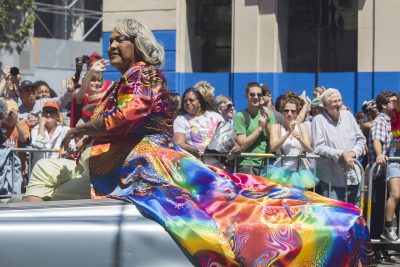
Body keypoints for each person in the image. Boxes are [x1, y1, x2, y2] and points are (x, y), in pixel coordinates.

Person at [22, 19, 375, 266]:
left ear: (138, 45)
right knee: (46, 170)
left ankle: (27, 247)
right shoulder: (127, 77)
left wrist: (85, 128)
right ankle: (28, 244)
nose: (111, 45)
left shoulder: (144, 73)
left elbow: (129, 115)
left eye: (119, 40)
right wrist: (86, 132)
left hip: (141, 162)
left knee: (226, 208)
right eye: (110, 40)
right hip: (115, 160)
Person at [312, 88, 366, 205]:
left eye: (339, 101)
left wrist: (352, 153)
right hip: (332, 181)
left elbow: (361, 139)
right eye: (334, 102)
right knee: (335, 218)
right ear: (325, 105)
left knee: (354, 217)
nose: (338, 104)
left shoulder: (348, 116)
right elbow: (318, 147)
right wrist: (341, 154)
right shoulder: (318, 120)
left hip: (354, 177)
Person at [261, 93, 318, 189]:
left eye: (293, 111)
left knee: (298, 202)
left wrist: (300, 139)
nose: (289, 114)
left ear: (297, 112)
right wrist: (287, 133)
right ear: (282, 112)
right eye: (286, 111)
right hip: (280, 172)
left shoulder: (302, 127)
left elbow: (308, 149)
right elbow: (273, 148)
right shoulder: (276, 127)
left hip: (299, 173)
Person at [233, 82, 276, 175]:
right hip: (247, 165)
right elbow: (242, 145)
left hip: (266, 165)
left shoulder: (269, 114)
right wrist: (260, 128)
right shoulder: (240, 116)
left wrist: (267, 124)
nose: (256, 97)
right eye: (252, 94)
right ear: (246, 96)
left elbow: (274, 140)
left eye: (259, 94)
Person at [173, 88, 224, 157]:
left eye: (191, 100)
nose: (187, 103)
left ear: (199, 102)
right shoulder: (180, 120)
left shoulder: (216, 117)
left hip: (217, 163)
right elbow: (178, 143)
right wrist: (191, 149)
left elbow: (226, 137)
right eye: (185, 101)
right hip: (194, 163)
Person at [30, 102, 74, 167]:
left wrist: (66, 147)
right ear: (42, 115)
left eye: (52, 112)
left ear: (57, 116)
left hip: (58, 169)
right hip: (39, 169)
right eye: (45, 112)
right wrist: (41, 125)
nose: (48, 114)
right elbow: (38, 145)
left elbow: (72, 147)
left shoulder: (65, 130)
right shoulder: (35, 130)